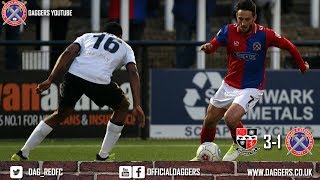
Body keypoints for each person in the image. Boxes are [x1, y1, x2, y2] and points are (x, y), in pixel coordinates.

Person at [191, 0, 309, 161]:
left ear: (254, 18)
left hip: (252, 87)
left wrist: (302, 66)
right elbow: (214, 45)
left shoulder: (265, 34)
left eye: (247, 19)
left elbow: (289, 46)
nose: (243, 23)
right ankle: (203, 156)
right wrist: (208, 48)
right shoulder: (228, 30)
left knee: (230, 118)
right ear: (236, 17)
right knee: (209, 121)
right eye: (240, 18)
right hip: (229, 84)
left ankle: (242, 143)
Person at [11, 22, 145, 161]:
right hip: (99, 80)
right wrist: (137, 104)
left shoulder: (88, 36)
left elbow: (68, 52)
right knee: (122, 106)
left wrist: (50, 79)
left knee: (60, 113)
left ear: (102, 31)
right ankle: (103, 156)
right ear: (120, 36)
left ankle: (23, 152)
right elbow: (133, 72)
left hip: (74, 75)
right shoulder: (125, 47)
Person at [172, 0, 216, 68]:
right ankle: (181, 68)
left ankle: (183, 65)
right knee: (182, 45)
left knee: (207, 42)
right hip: (184, 10)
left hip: (204, 11)